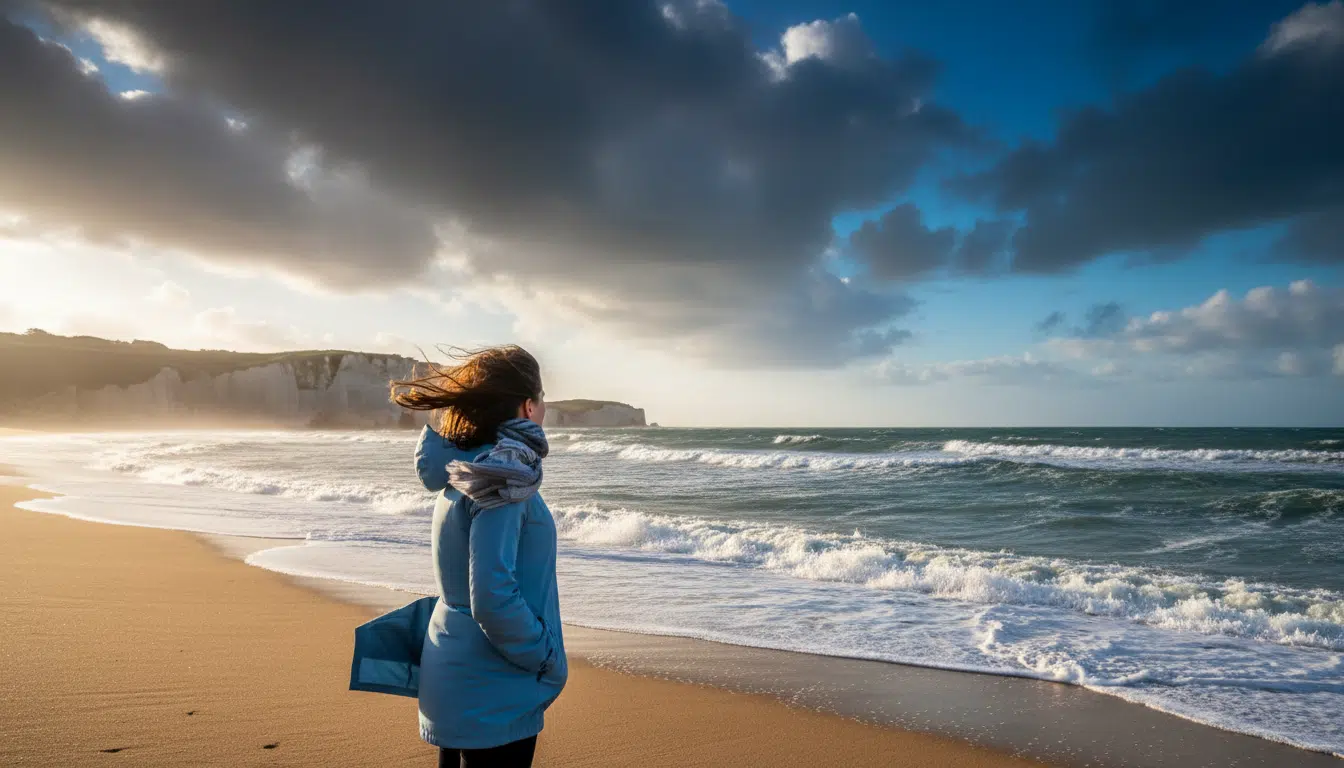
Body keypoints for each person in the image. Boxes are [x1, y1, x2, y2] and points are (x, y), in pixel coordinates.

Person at [391, 345, 566, 768]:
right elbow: (492, 596)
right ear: (529, 406)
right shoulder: (503, 477)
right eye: (542, 401)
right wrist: (545, 658)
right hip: (493, 687)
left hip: (456, 672)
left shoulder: (465, 470)